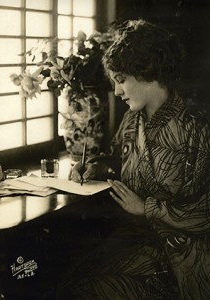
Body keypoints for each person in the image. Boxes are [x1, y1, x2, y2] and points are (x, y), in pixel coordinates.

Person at [57, 19, 210, 300]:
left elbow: (206, 210)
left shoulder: (196, 126)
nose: (116, 92)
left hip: (182, 254)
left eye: (120, 80)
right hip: (135, 240)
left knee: (91, 289)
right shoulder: (131, 120)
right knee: (67, 279)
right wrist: (97, 166)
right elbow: (119, 159)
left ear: (146, 71)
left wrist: (147, 208)